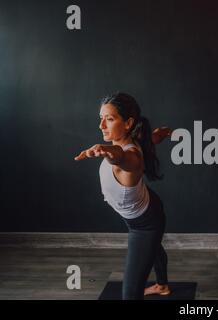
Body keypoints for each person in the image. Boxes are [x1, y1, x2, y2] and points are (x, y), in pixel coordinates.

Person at [74, 92, 172, 299]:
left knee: (130, 294)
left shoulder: (130, 157)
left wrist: (106, 151)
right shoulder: (136, 138)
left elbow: (121, 157)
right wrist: (159, 135)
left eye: (109, 119)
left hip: (145, 225)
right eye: (101, 118)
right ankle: (162, 286)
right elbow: (149, 139)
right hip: (149, 205)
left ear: (127, 123)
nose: (101, 125)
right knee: (154, 249)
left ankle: (161, 284)